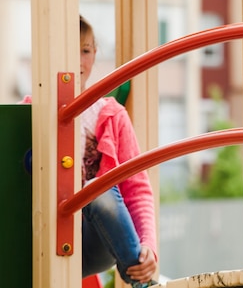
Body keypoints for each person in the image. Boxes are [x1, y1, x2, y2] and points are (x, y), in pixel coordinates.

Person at [24, 16, 158, 287]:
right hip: (42, 238)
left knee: (102, 189)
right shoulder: (29, 110)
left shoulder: (110, 115)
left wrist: (147, 245)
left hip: (95, 239)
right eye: (68, 50)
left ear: (95, 54)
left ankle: (140, 280)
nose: (78, 60)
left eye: (84, 51)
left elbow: (137, 189)